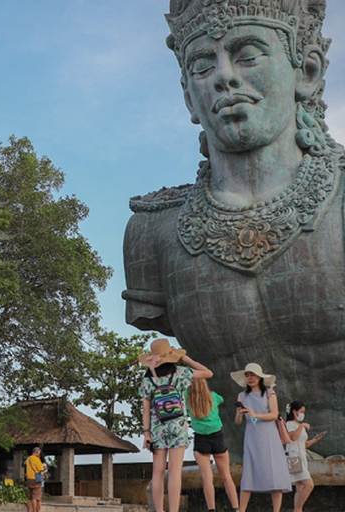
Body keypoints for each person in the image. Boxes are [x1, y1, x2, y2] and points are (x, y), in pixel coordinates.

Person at [122, 0, 345, 456]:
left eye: (247, 55)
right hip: (228, 479)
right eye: (203, 65)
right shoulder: (152, 230)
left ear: (306, 71)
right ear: (189, 97)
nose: (224, 76)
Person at [138, 338, 212, 512]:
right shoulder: (180, 373)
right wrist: (184, 358)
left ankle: (158, 510)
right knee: (175, 471)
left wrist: (147, 433)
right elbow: (208, 373)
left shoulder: (147, 380)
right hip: (178, 428)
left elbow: (146, 411)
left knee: (157, 472)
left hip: (157, 430)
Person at [232, 363, 291, 512]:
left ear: (260, 377)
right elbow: (238, 422)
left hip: (269, 436)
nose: (250, 378)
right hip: (252, 437)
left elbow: (274, 414)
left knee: (274, 472)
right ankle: (241, 509)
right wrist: (239, 414)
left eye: (252, 375)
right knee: (249, 472)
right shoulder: (242, 395)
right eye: (247, 375)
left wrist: (255, 414)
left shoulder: (269, 392)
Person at [186, 378, 239, 512]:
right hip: (217, 437)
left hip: (201, 438)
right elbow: (221, 399)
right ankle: (235, 508)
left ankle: (211, 509)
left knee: (207, 477)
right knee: (226, 476)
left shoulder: (188, 400)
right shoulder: (213, 397)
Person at [285, 401, 326, 512]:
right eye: (301, 412)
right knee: (309, 485)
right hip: (294, 458)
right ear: (294, 412)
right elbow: (292, 437)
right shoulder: (290, 424)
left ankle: (298, 509)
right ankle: (297, 509)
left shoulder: (299, 426)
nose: (302, 414)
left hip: (302, 457)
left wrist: (316, 439)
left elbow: (304, 444)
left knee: (301, 487)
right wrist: (302, 425)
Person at [25, 447, 45, 512]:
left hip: (29, 478)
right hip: (35, 479)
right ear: (36, 452)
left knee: (29, 497)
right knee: (35, 497)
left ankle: (28, 510)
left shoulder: (28, 459)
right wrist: (45, 468)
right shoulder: (36, 459)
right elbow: (40, 469)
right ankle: (34, 510)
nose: (39, 454)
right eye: (39, 453)